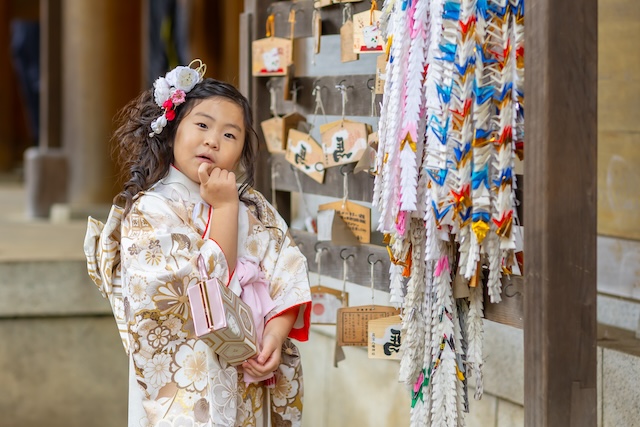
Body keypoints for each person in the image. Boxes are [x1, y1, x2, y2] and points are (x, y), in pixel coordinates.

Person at [84, 60, 312, 427]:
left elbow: (287, 269)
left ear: (241, 150)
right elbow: (193, 293)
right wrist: (223, 208)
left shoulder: (252, 205)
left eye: (230, 135)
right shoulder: (151, 209)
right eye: (202, 125)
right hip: (189, 381)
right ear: (173, 130)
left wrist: (275, 332)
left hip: (251, 371)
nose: (212, 140)